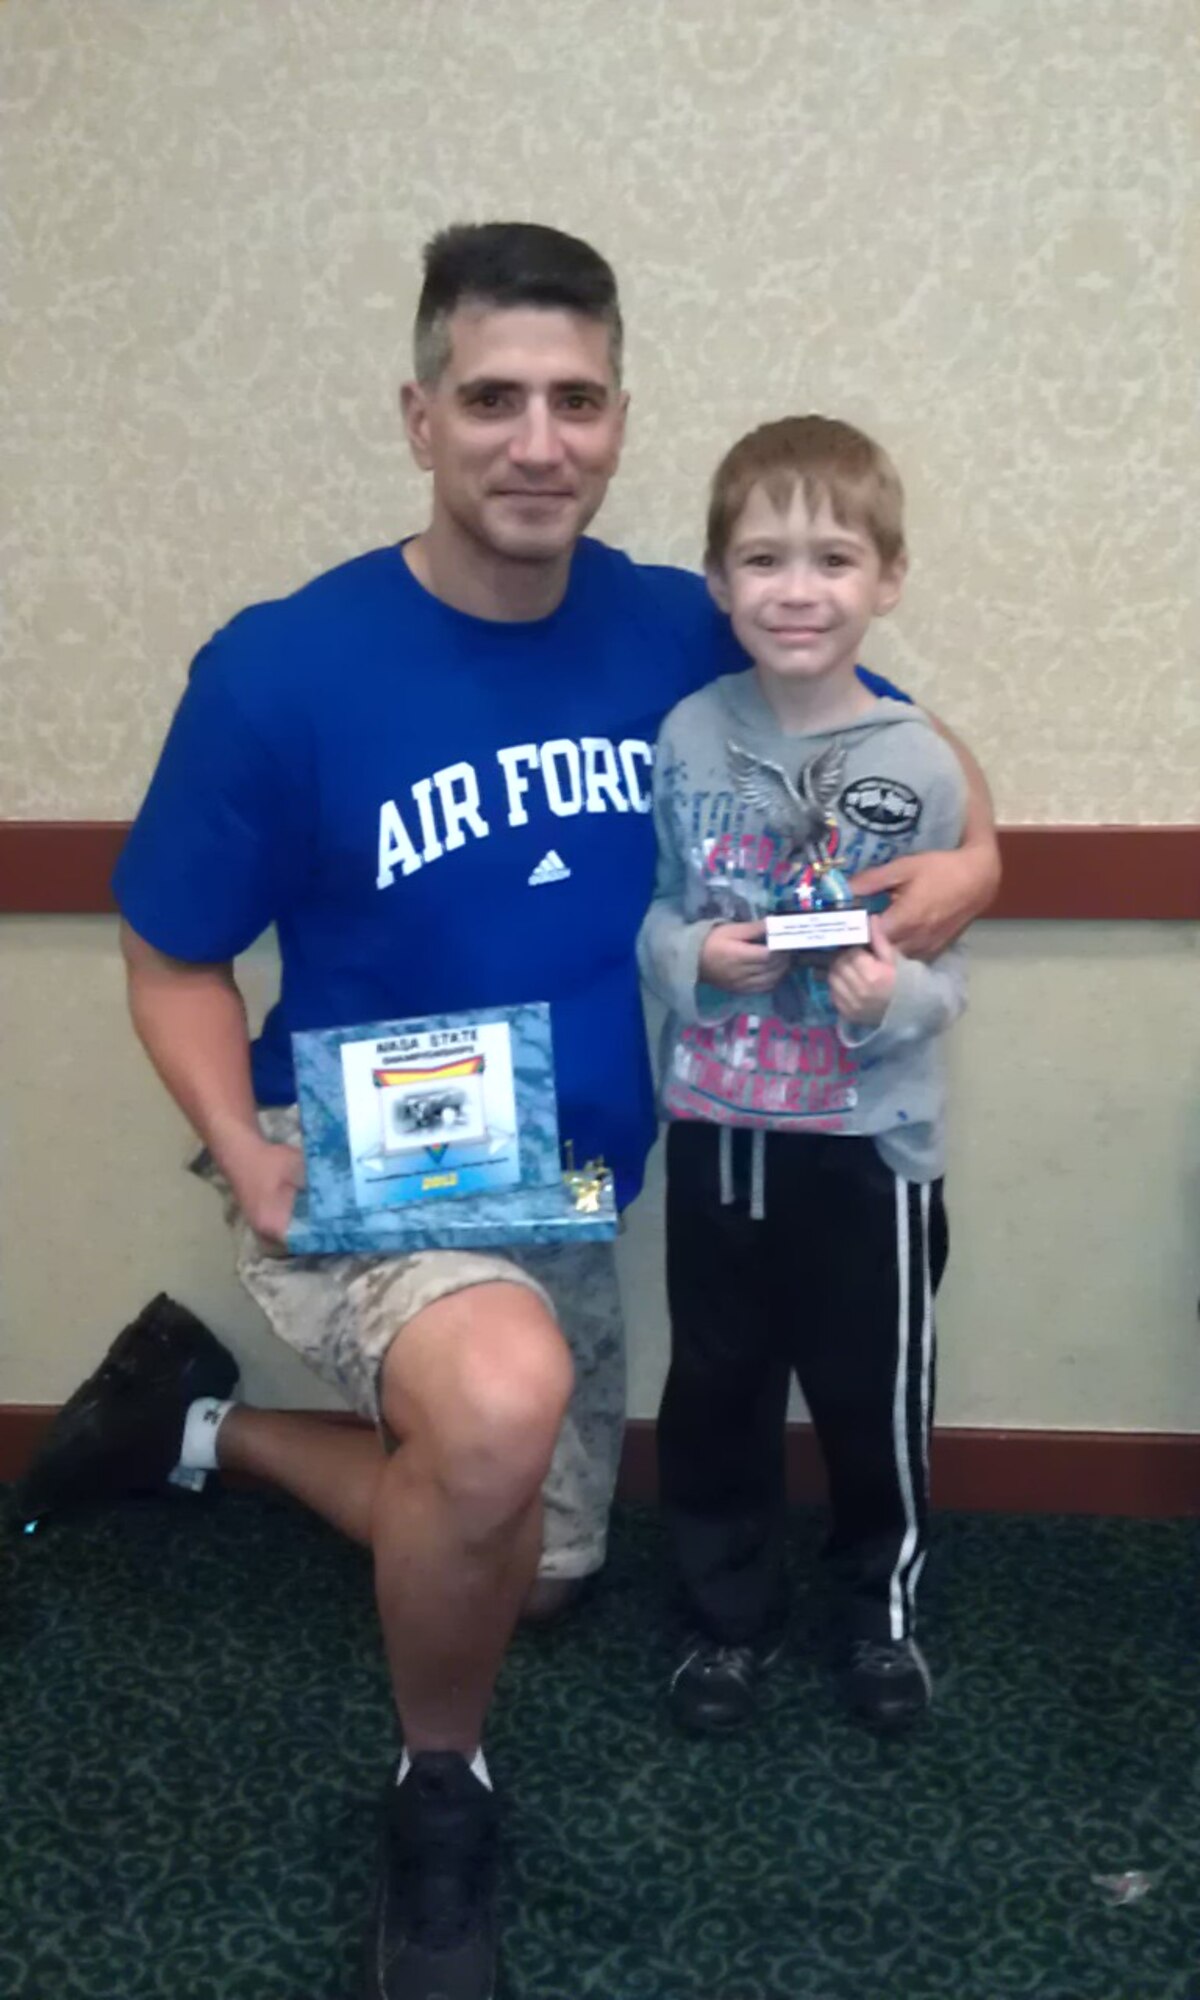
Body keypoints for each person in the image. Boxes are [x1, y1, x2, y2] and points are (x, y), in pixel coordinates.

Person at [17, 229, 999, 2000]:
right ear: (418, 416)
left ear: (620, 423)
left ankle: (191, 1430)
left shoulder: (678, 633)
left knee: (531, 1560)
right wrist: (247, 1158)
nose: (534, 441)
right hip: (370, 1170)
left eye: (573, 401)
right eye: (491, 399)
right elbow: (168, 958)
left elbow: (883, 728)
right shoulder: (279, 670)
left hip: (576, 1180)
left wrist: (980, 855)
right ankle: (441, 1795)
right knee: (502, 1400)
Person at [639, 413, 967, 1744]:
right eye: (763, 558)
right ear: (718, 584)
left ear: (886, 578)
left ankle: (881, 1608)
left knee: (870, 1390)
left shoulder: (922, 762)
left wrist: (898, 1002)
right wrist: (699, 959)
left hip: (864, 1148)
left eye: (833, 557)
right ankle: (727, 1621)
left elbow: (951, 975)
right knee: (716, 1386)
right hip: (722, 1130)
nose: (797, 587)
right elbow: (660, 914)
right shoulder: (685, 734)